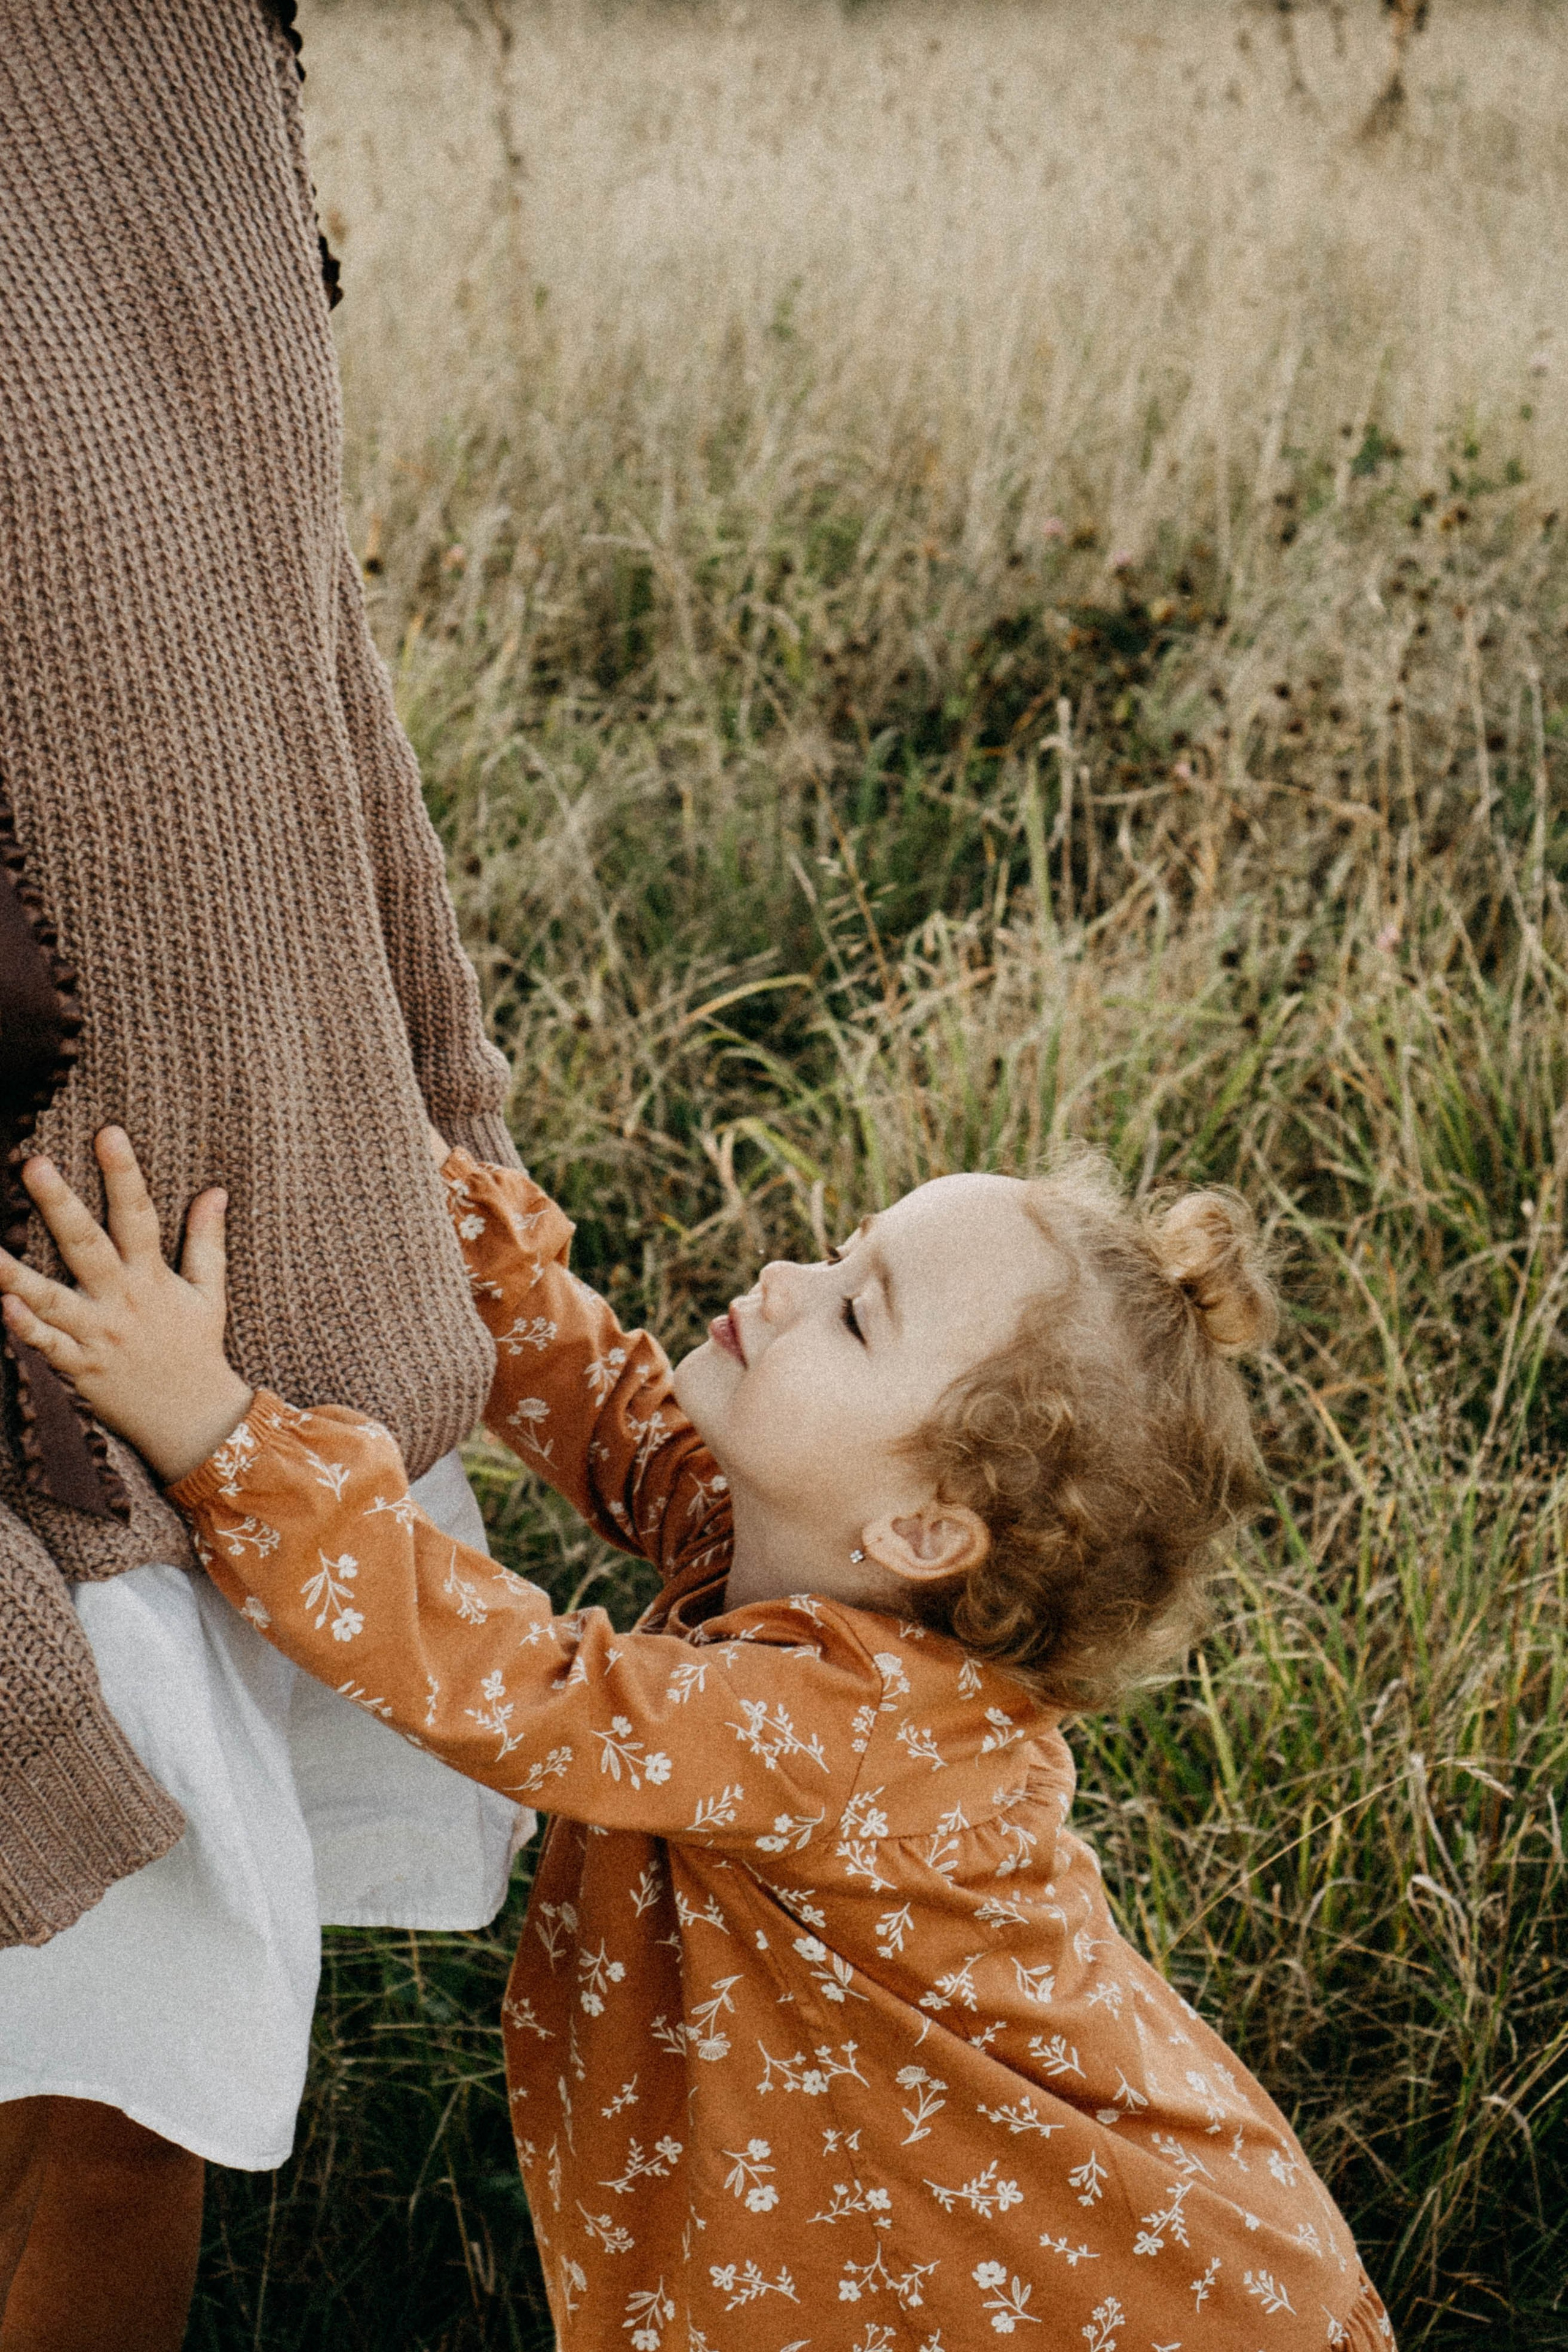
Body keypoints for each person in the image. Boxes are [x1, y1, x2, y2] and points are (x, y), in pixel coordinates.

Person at [0, 1129, 1398, 2350]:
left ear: (920, 1529)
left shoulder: (842, 1734)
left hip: (1069, 2268)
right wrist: (457, 1231)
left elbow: (520, 1686)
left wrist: (215, 1431)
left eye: (854, 1313)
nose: (785, 1281)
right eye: (841, 1250)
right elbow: (611, 1417)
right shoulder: (810, 1557)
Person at [0, 6, 530, 2345]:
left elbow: (279, 607)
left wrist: (420, 1111)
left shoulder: (175, 54)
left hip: (171, 1206)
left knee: (122, 2072)